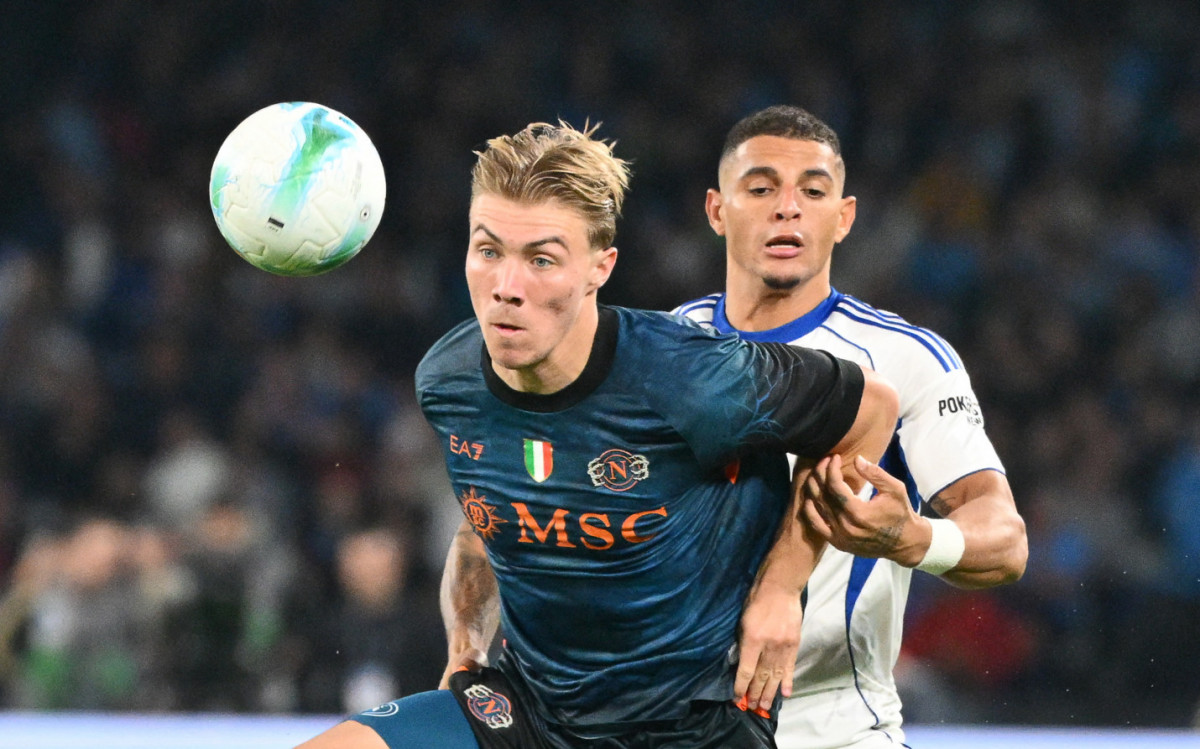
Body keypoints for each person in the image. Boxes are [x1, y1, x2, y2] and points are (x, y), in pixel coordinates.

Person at [296, 121, 898, 749]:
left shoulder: (696, 378)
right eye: (488, 250)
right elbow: (481, 526)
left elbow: (872, 409)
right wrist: (466, 648)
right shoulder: (448, 380)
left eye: (542, 260)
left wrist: (781, 589)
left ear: (599, 267)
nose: (507, 287)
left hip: (693, 726)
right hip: (530, 713)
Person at [673, 105, 1028, 748]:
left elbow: (1005, 540)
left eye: (813, 191)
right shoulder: (666, 345)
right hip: (668, 719)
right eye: (761, 189)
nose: (789, 208)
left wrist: (913, 536)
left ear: (844, 217)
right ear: (717, 210)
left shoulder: (906, 358)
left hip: (831, 724)